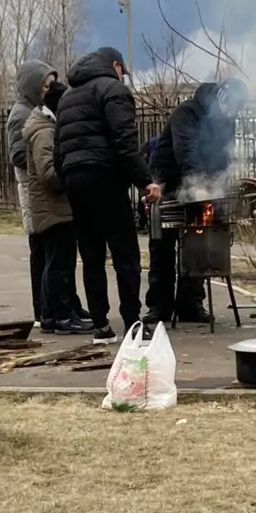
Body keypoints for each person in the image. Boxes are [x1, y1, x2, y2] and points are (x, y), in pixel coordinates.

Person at [55, 46, 161, 345]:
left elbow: (58, 146)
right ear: (115, 65)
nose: (122, 76)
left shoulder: (66, 98)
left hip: (75, 180)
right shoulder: (114, 90)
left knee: (91, 255)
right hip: (105, 177)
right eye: (122, 71)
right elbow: (124, 142)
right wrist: (146, 182)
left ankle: (101, 325)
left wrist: (68, 177)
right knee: (125, 254)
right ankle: (132, 323)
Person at [144, 78, 249, 326]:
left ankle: (190, 304)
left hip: (201, 183)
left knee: (199, 242)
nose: (231, 113)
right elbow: (186, 149)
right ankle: (159, 307)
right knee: (163, 245)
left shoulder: (227, 120)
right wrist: (197, 184)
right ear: (219, 99)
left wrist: (218, 183)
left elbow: (223, 155)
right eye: (229, 106)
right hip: (167, 182)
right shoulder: (186, 113)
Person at [7, 59, 90, 328]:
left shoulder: (40, 115)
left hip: (44, 194)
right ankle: (48, 311)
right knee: (46, 255)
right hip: (39, 195)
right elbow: (20, 155)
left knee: (57, 257)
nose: (49, 89)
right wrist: (54, 160)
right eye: (45, 84)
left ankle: (63, 307)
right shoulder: (25, 116)